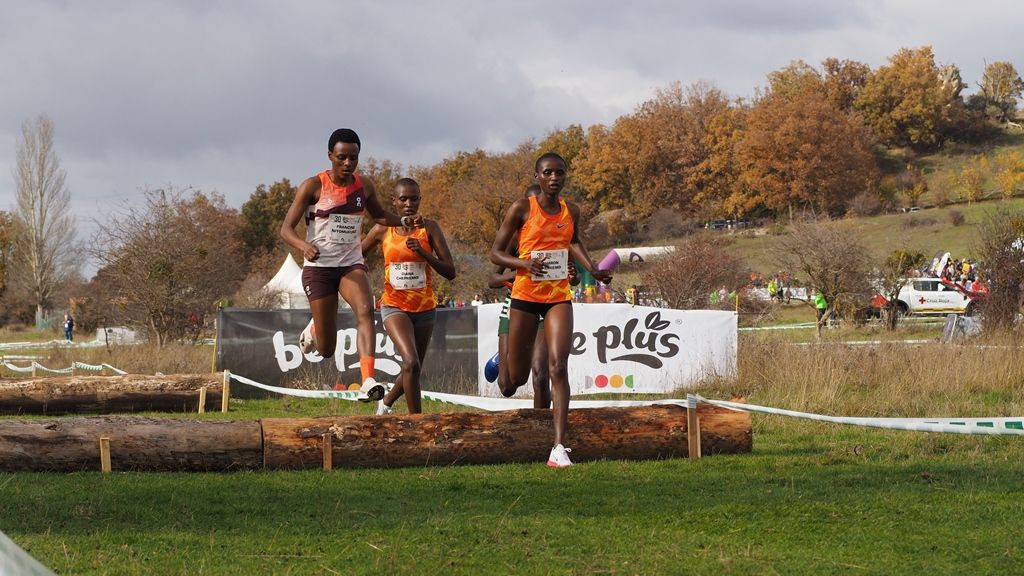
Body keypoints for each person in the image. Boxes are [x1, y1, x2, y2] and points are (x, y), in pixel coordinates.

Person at [489, 152, 612, 468]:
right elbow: (496, 254)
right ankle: (502, 360)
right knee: (512, 382)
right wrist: (523, 263)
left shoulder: (572, 210)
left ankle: (558, 447)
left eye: (560, 172)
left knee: (557, 366)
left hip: (558, 297)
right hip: (525, 298)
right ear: (538, 175)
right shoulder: (522, 208)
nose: (555, 178)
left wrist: (594, 270)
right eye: (548, 173)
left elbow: (574, 241)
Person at [280, 128, 421, 401]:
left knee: (366, 310)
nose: (348, 163)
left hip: (350, 265)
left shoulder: (363, 185)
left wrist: (403, 221)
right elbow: (286, 229)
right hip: (319, 269)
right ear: (330, 155)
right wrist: (304, 246)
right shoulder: (313, 186)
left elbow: (380, 215)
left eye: (353, 158)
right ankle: (313, 328)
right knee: (327, 348)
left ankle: (367, 381)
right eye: (342, 157)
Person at [361, 178, 456, 415]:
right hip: (394, 305)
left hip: (425, 308)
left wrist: (424, 252)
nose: (408, 203)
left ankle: (386, 402)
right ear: (394, 201)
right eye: (403, 198)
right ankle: (417, 423)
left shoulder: (430, 228)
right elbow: (356, 255)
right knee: (411, 362)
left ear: (420, 200)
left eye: (414, 198)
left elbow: (450, 271)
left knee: (413, 368)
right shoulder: (383, 229)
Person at [486, 183, 580, 411]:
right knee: (508, 386)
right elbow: (492, 279)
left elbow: (572, 278)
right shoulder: (515, 238)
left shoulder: (558, 236)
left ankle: (542, 429)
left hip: (548, 305)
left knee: (541, 373)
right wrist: (522, 269)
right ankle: (504, 358)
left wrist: (572, 274)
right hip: (518, 305)